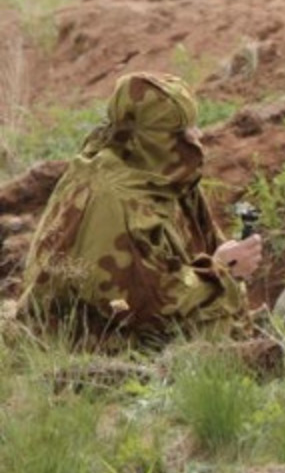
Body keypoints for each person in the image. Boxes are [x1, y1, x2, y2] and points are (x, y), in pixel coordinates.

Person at [18, 72, 262, 350]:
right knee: (211, 329)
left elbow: (202, 248)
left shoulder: (158, 174)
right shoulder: (114, 201)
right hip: (87, 339)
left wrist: (230, 261)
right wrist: (219, 274)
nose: (198, 136)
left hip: (131, 317)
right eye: (182, 131)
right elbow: (145, 305)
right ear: (154, 139)